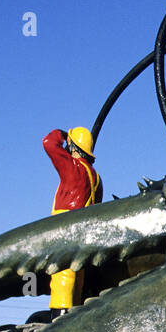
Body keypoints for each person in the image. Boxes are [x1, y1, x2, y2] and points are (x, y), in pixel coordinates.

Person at [43, 127, 103, 317]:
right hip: (85, 230)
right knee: (77, 275)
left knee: (62, 273)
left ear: (72, 147)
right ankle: (74, 313)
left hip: (65, 225)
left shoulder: (73, 167)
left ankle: (58, 318)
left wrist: (61, 134)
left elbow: (48, 144)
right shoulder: (96, 178)